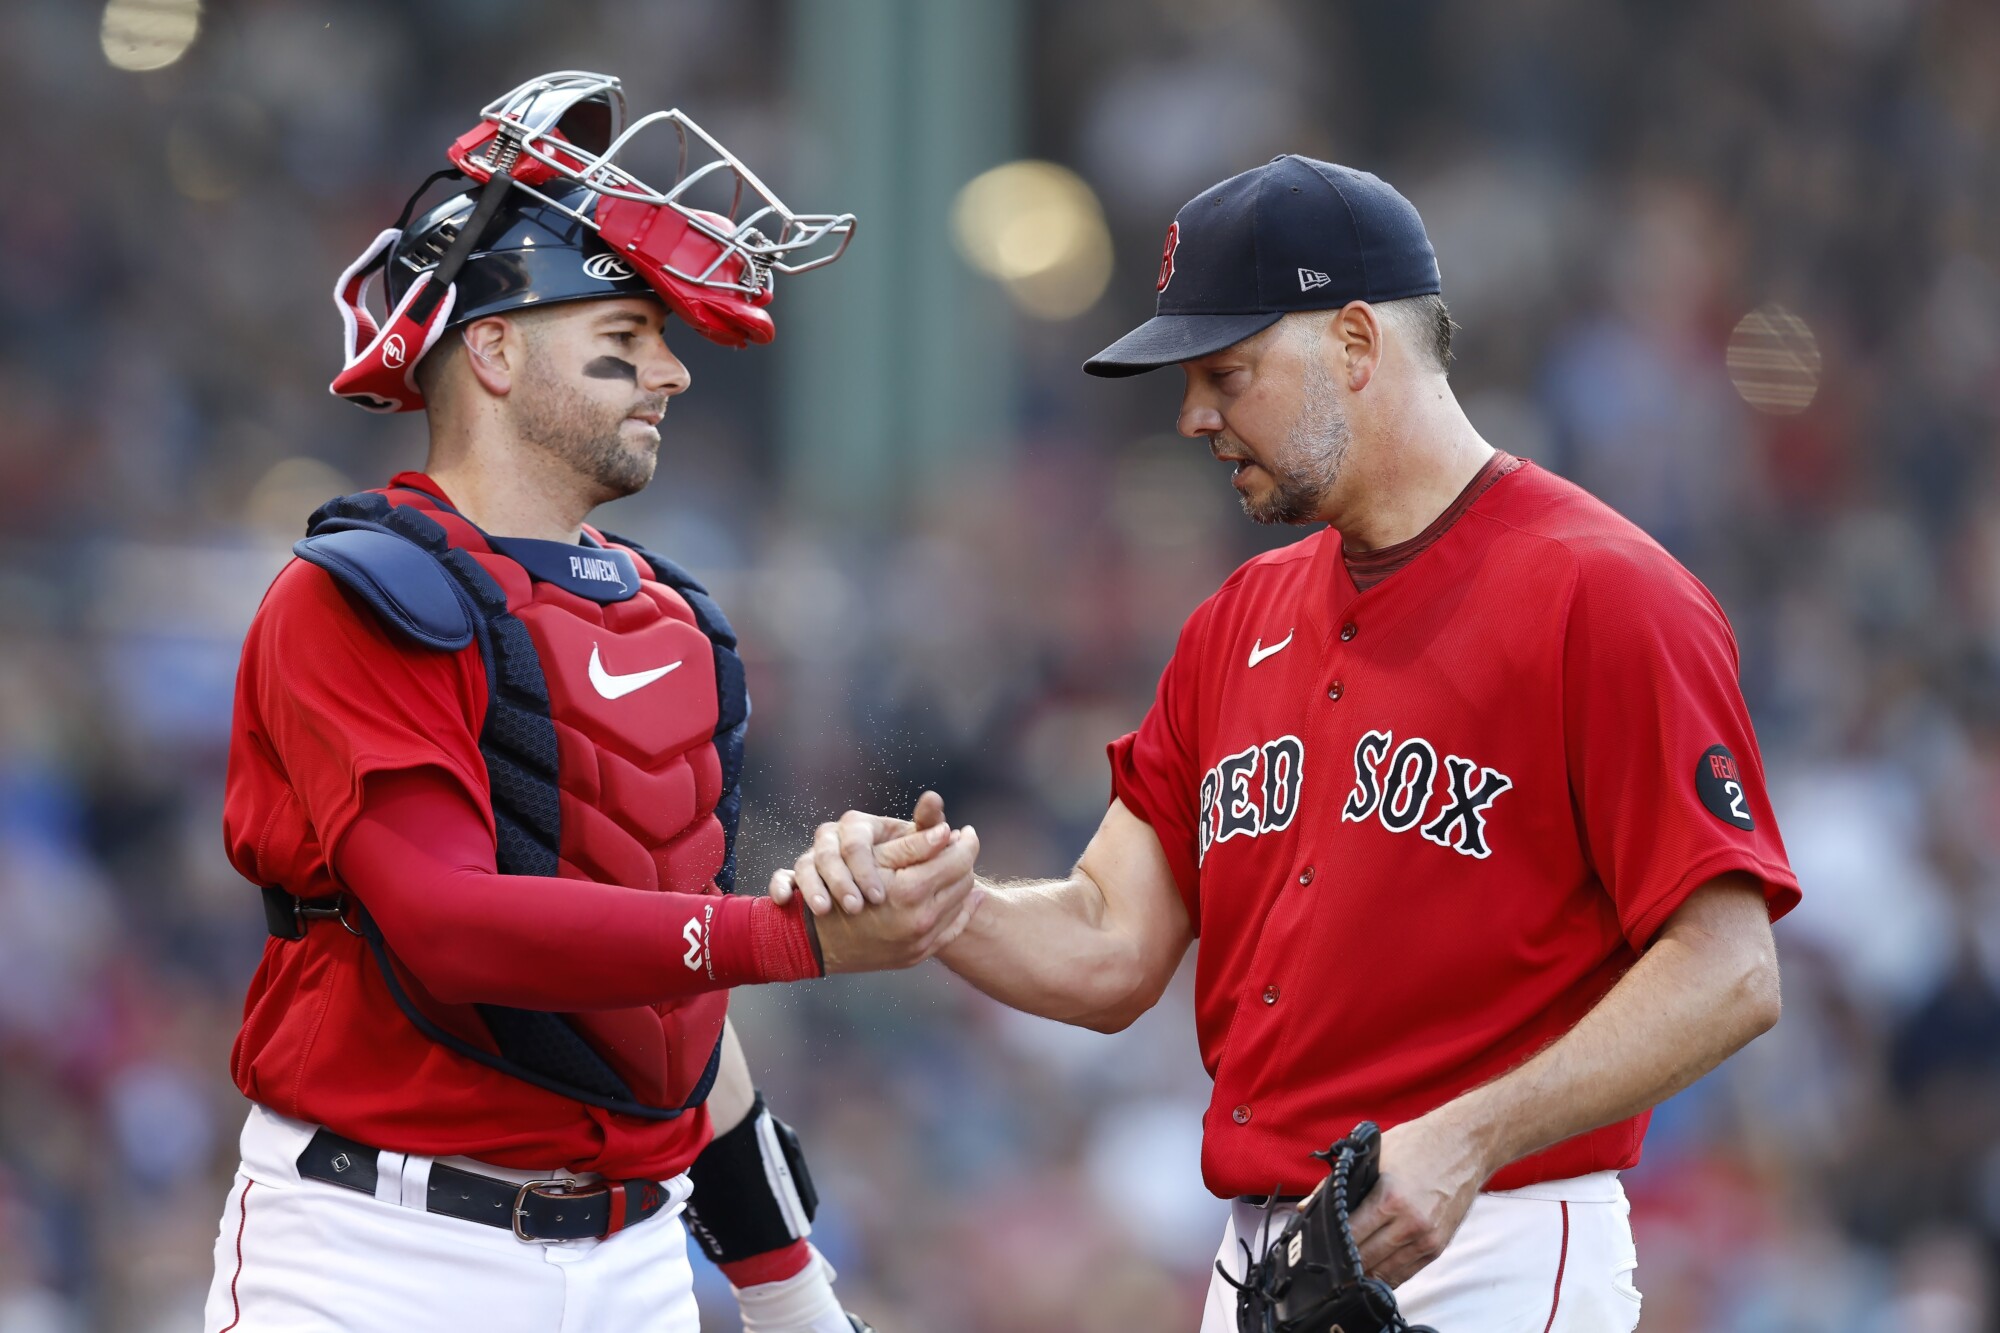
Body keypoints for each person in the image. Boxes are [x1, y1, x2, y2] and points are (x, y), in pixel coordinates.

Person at [775, 156, 1800, 1331]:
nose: (1193, 414)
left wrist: (1470, 1134)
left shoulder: (1604, 592)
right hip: (1256, 1259)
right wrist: (941, 907)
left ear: (1356, 345)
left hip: (1491, 1236)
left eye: (1227, 372)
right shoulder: (1237, 619)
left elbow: (1728, 970)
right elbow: (1111, 945)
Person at [205, 73, 976, 1333]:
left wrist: (786, 1286)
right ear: (496, 350)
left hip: (634, 1255)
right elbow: (448, 924)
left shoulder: (672, 619)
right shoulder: (353, 592)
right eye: (623, 331)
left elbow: (667, 1002)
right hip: (375, 1251)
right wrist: (791, 936)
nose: (669, 370)